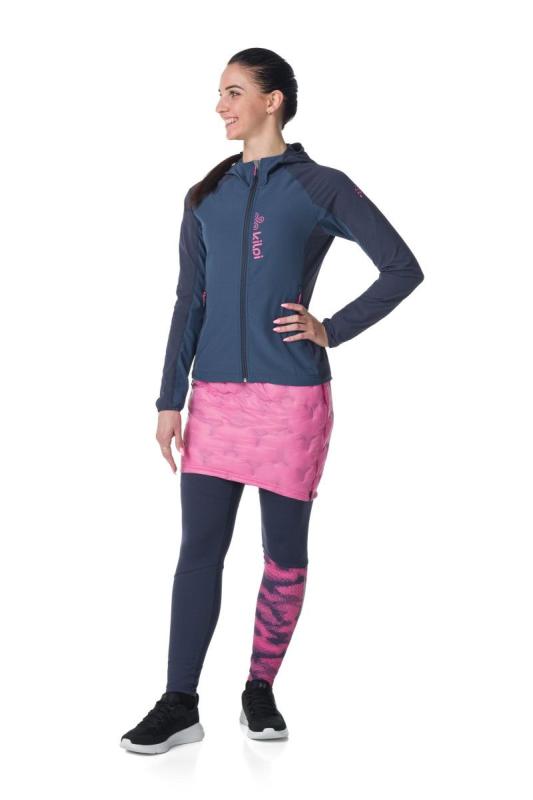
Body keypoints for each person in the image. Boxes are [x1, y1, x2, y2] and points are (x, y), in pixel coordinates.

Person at [120, 47, 424, 755]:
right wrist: (169, 398)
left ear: (272, 100)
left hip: (291, 400)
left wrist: (331, 328)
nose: (220, 106)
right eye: (220, 93)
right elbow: (188, 301)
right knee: (199, 550)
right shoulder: (206, 195)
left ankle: (259, 688)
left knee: (283, 553)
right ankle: (179, 702)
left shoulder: (319, 186)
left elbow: (401, 267)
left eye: (233, 92)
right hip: (216, 399)